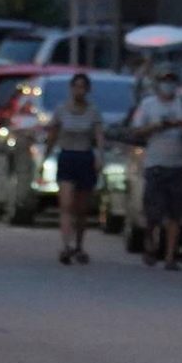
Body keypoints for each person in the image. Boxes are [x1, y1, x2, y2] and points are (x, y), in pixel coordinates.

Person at [124, 69, 182, 271]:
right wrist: (156, 126)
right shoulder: (148, 104)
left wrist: (179, 123)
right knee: (153, 213)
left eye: (172, 81)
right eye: (165, 81)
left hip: (179, 164)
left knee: (175, 214)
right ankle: (151, 244)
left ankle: (170, 255)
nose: (168, 85)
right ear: (157, 84)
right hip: (155, 164)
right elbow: (136, 130)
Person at [44, 73, 105, 266]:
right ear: (71, 89)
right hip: (67, 157)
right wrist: (46, 155)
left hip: (84, 158)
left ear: (87, 90)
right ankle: (66, 245)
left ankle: (79, 244)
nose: (79, 91)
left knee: (81, 208)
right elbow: (53, 135)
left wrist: (100, 157)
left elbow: (99, 137)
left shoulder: (93, 112)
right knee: (66, 204)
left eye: (83, 87)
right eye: (76, 87)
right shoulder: (61, 110)